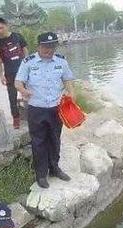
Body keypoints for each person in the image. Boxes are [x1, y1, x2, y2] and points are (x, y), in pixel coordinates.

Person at [15, 32, 75, 189]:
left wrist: (71, 93)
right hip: (36, 108)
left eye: (52, 46)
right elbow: (18, 82)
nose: (49, 49)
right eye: (46, 46)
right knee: (38, 141)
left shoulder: (61, 61)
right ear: (39, 46)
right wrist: (23, 90)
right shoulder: (28, 62)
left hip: (56, 108)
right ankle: (41, 174)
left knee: (55, 139)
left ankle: (54, 168)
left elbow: (68, 79)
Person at [0, 17, 28, 129]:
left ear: (6, 25)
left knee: (28, 94)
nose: (0, 31)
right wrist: (1, 75)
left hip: (23, 71)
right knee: (12, 97)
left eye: (1, 28)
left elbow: (26, 51)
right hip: (10, 73)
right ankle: (16, 119)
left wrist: (29, 67)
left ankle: (31, 115)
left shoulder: (18, 36)